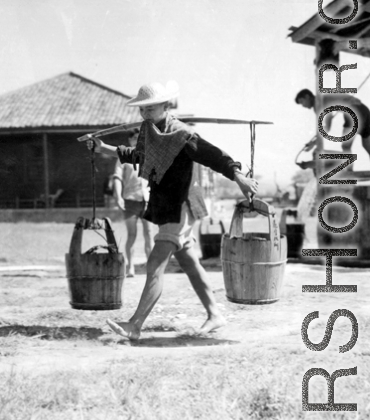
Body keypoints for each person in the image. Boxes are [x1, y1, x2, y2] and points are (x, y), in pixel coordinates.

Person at [86, 81, 258, 340]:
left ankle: (135, 324)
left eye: (151, 108)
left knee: (155, 262)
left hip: (182, 205)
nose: (145, 114)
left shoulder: (182, 134)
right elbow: (141, 156)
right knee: (188, 259)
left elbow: (213, 155)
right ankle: (214, 314)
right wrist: (103, 148)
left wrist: (238, 176)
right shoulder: (149, 131)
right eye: (142, 110)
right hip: (165, 203)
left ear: (166, 106)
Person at [295, 88, 370, 175]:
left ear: (307, 96)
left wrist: (313, 143)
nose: (303, 105)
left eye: (302, 102)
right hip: (365, 110)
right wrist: (313, 142)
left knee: (346, 147)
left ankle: (350, 173)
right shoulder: (323, 98)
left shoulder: (318, 103)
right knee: (368, 146)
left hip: (354, 112)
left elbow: (326, 128)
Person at [113, 129, 153, 277]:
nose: (137, 141)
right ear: (129, 140)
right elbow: (117, 177)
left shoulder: (148, 156)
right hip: (130, 200)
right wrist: (118, 196)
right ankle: (130, 267)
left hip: (147, 200)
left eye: (140, 138)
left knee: (149, 233)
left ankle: (151, 267)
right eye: (134, 138)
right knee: (132, 234)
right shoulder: (123, 157)